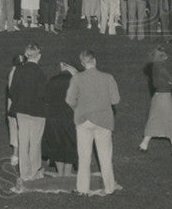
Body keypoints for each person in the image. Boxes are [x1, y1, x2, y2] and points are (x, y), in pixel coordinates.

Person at [65, 49, 121, 196]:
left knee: (84, 156)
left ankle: (82, 189)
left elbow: (69, 100)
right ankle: (109, 188)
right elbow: (116, 100)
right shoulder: (108, 77)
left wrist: (78, 109)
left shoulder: (77, 78)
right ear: (94, 61)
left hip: (83, 120)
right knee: (105, 156)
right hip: (103, 120)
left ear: (82, 64)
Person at [9, 44, 48, 182]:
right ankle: (34, 172)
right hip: (38, 111)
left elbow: (12, 91)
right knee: (35, 142)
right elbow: (44, 93)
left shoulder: (19, 70)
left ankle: (24, 173)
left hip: (22, 110)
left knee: (23, 141)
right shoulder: (41, 72)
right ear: (39, 56)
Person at [139, 47, 172, 156]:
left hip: (157, 97)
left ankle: (143, 145)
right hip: (165, 97)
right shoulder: (162, 69)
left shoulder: (154, 67)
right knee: (171, 121)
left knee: (154, 120)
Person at [42, 62, 79, 176]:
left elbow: (45, 98)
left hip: (52, 117)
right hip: (69, 117)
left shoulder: (52, 80)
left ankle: (60, 173)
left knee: (56, 144)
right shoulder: (75, 81)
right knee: (70, 145)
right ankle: (67, 174)